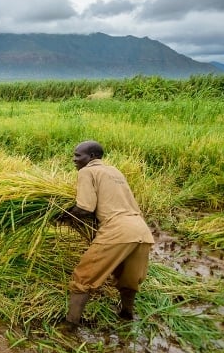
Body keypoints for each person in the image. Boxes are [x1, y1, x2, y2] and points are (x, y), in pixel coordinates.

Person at [61, 140, 155, 328]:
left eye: (78, 155)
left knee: (83, 278)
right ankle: (126, 315)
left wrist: (62, 215)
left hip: (117, 230)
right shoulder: (114, 171)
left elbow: (84, 208)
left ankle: (69, 326)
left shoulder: (86, 172)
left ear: (91, 157)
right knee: (128, 279)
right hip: (141, 230)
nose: (74, 159)